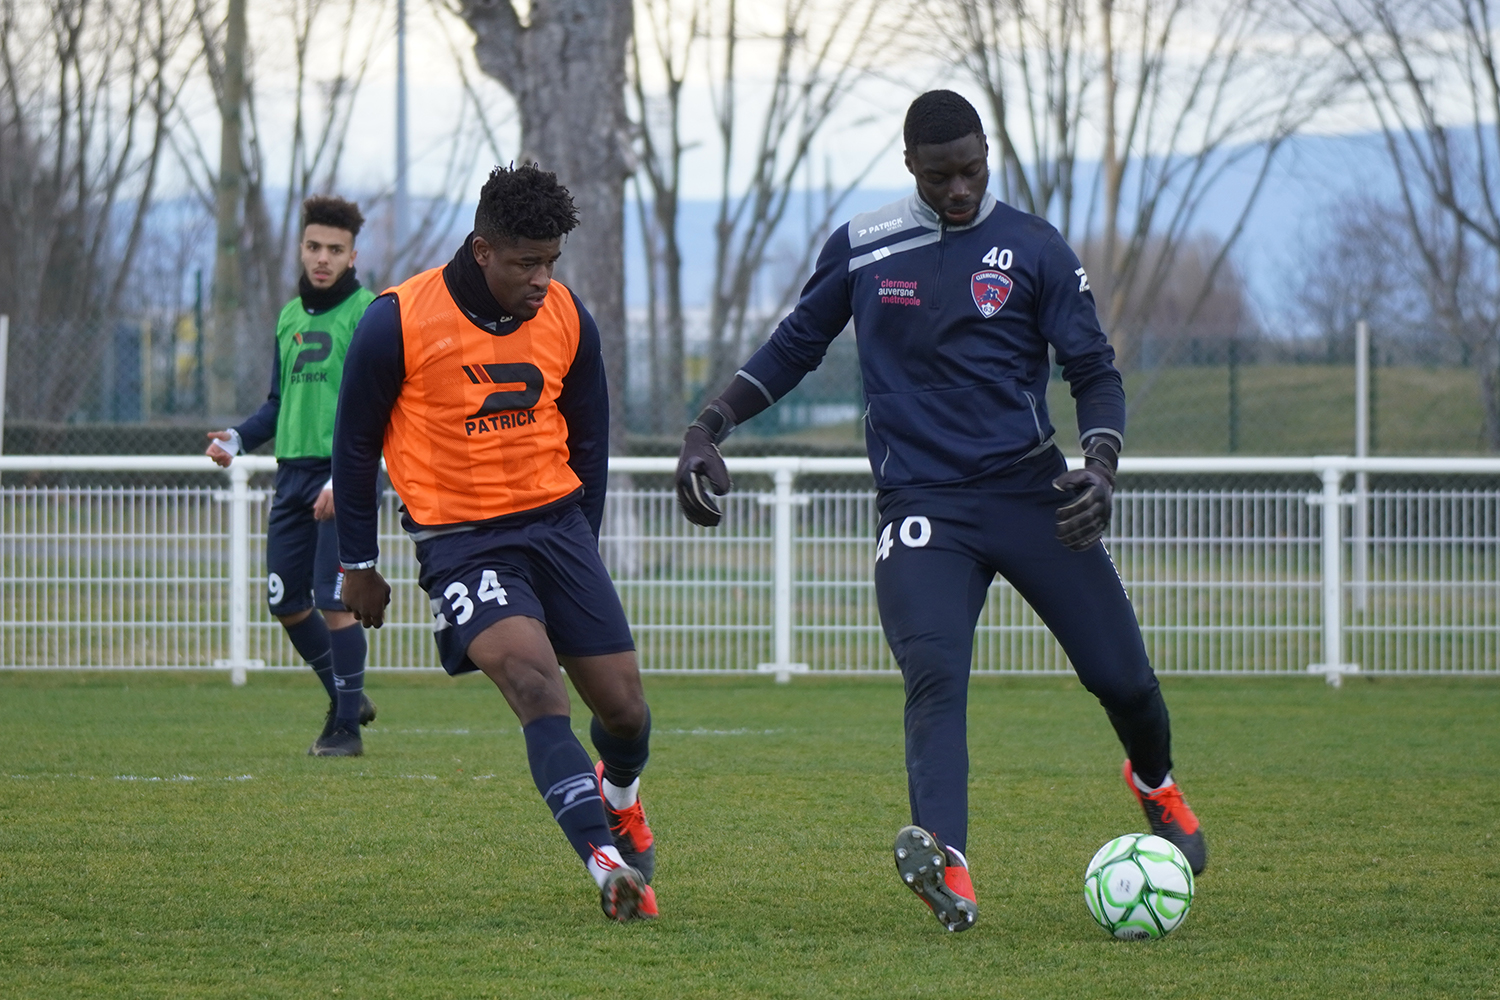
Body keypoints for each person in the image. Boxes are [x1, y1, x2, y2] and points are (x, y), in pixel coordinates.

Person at [675, 90, 1206, 933]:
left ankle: (1154, 780)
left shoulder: (1033, 247)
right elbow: (794, 346)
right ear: (909, 164)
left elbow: (1094, 372)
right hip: (922, 504)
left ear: (987, 153)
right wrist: (710, 426)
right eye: (940, 174)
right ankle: (948, 864)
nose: (959, 189)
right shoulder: (863, 247)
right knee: (934, 675)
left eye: (971, 170)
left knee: (1124, 679)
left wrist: (1099, 467)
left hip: (1033, 494)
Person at [331, 164, 658, 923]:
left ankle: (622, 802)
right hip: (464, 543)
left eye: (552, 262)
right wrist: (360, 563)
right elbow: (353, 448)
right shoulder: (398, 319)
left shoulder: (569, 315)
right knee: (536, 687)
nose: (543, 279)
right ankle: (605, 864)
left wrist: (587, 548)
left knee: (627, 713)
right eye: (526, 263)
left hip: (559, 528)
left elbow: (590, 442)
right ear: (483, 250)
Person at [207, 195, 377, 757]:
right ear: (301, 248)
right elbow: (277, 404)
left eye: (334, 249)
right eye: (313, 247)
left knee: (335, 603)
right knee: (286, 601)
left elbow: (382, 410)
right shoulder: (287, 316)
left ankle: (346, 730)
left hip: (344, 475)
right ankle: (348, 696)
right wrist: (237, 438)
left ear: (353, 255)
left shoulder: (368, 314)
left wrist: (346, 478)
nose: (322, 258)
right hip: (293, 478)